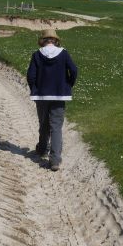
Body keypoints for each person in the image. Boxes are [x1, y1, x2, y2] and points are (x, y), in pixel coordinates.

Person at [26, 28, 78, 171]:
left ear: (43, 41)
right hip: (59, 94)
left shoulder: (37, 55)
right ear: (55, 40)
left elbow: (31, 76)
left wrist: (34, 89)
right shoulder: (64, 54)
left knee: (43, 123)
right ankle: (54, 159)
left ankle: (42, 148)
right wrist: (68, 85)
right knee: (56, 126)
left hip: (41, 94)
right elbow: (73, 71)